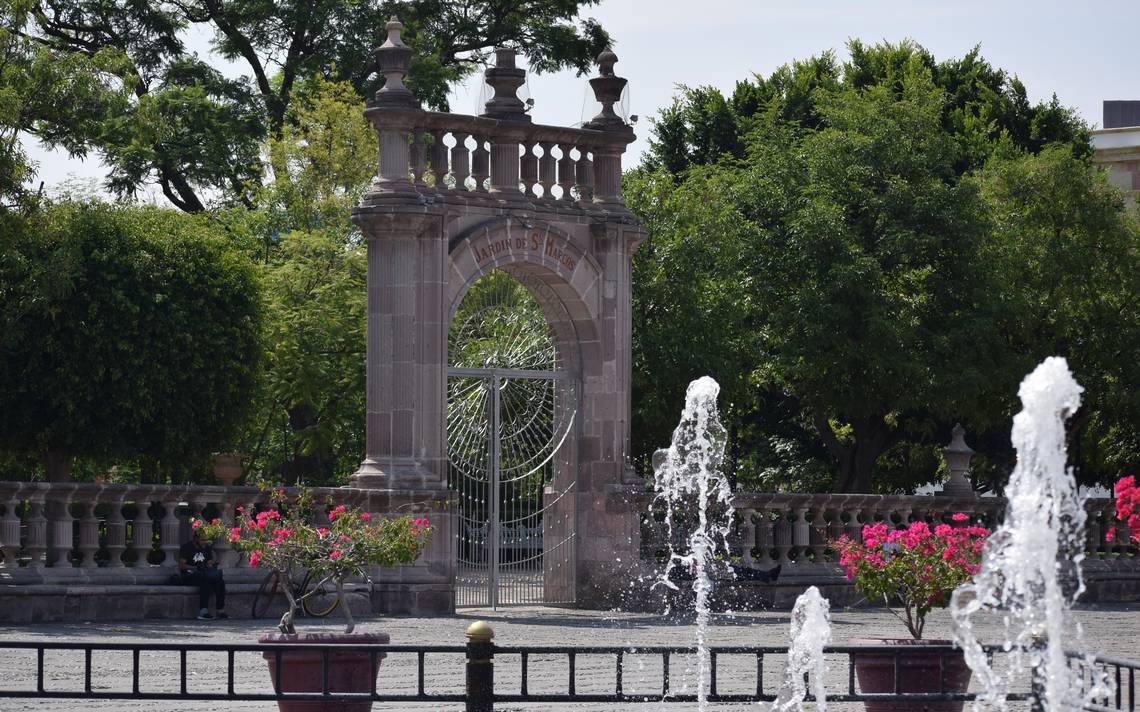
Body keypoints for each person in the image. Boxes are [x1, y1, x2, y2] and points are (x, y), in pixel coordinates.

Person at [179, 529, 227, 620]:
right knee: (205, 580)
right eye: (202, 540)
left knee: (220, 581)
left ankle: (220, 609)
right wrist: (195, 568)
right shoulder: (187, 547)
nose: (205, 542)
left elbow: (209, 563)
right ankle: (203, 611)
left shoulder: (207, 548)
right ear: (195, 539)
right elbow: (182, 566)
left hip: (203, 573)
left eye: (206, 540)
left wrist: (210, 566)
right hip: (189, 574)